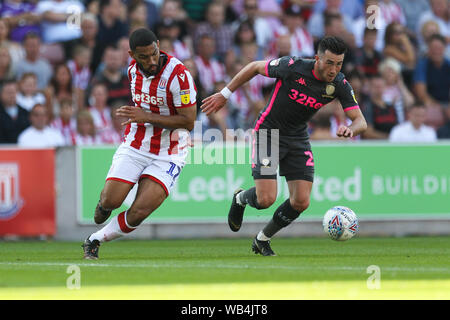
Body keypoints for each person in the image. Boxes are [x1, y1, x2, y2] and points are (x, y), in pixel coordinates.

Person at [201, 36, 367, 256]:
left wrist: (350, 129)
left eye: (338, 64)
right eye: (329, 62)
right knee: (266, 199)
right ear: (317, 58)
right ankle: (241, 198)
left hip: (298, 137)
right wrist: (225, 94)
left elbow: (360, 121)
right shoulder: (293, 67)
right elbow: (254, 67)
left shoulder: (339, 84)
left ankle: (262, 239)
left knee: (301, 201)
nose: (333, 69)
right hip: (269, 133)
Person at [82, 28, 197, 260]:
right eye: (144, 57)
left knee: (139, 211)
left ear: (158, 44)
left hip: (170, 152)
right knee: (110, 200)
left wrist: (147, 116)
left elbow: (188, 121)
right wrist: (140, 117)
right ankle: (105, 204)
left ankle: (94, 240)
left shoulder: (179, 75)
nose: (151, 61)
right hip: (137, 144)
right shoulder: (132, 70)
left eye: (154, 53)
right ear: (132, 54)